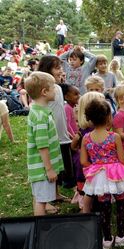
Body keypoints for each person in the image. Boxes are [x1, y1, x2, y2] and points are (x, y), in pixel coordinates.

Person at [80, 98, 124, 249]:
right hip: (117, 175)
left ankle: (106, 239)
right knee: (121, 204)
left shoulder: (86, 138)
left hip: (99, 176)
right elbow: (122, 158)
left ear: (89, 119)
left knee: (103, 206)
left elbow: (84, 161)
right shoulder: (114, 137)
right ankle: (120, 237)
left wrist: (96, 169)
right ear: (108, 117)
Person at [24, 71, 64, 215]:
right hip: (42, 169)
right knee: (41, 201)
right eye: (53, 88)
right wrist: (49, 169)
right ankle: (40, 230)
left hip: (42, 168)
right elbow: (42, 145)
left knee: (39, 197)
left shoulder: (40, 110)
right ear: (44, 92)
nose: (56, 90)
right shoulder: (40, 116)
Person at [38, 55, 75, 196]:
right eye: (57, 68)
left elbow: (61, 113)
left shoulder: (57, 88)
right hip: (52, 137)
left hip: (63, 135)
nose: (61, 70)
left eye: (61, 67)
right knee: (51, 166)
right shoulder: (45, 91)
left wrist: (68, 130)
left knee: (61, 166)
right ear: (47, 70)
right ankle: (47, 197)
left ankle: (56, 193)